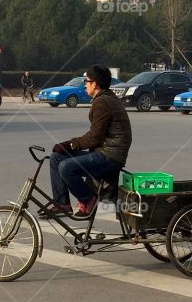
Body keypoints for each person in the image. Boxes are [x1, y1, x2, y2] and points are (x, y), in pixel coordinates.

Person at [45, 65, 132, 218]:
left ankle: (88, 200)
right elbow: (95, 136)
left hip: (110, 156)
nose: (85, 84)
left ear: (95, 84)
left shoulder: (103, 102)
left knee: (66, 167)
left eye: (87, 81)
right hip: (104, 152)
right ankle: (62, 204)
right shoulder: (105, 99)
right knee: (56, 158)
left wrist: (70, 145)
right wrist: (68, 146)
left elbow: (94, 137)